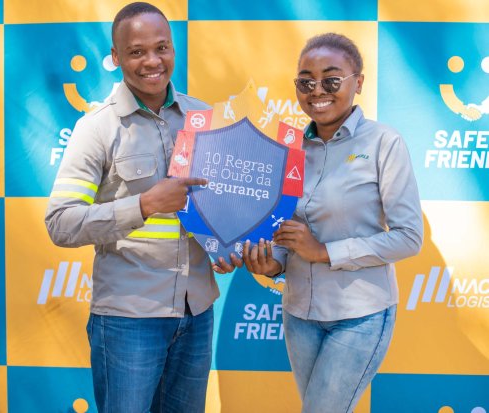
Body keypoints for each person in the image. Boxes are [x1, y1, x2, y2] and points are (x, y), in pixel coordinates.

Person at [45, 3, 239, 412]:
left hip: (196, 310)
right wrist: (145, 204)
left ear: (173, 49)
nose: (152, 61)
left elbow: (215, 206)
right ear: (116, 58)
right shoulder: (97, 128)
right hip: (128, 319)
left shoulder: (202, 117)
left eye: (161, 48)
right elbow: (61, 222)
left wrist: (226, 245)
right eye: (136, 52)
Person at [243, 33, 423, 413]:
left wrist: (325, 251)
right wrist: (271, 263)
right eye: (306, 82)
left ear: (358, 82)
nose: (317, 91)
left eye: (331, 79)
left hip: (360, 315)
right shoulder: (290, 149)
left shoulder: (383, 143)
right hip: (299, 314)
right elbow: (286, 233)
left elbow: (409, 237)